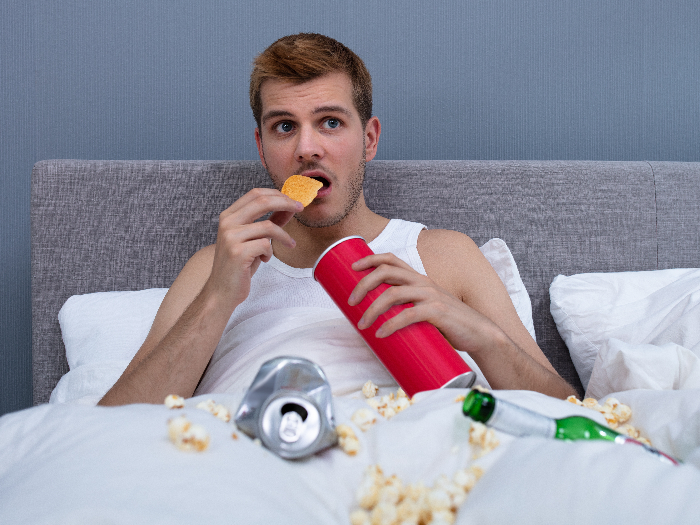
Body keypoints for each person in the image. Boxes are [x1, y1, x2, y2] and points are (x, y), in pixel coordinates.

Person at [99, 33, 575, 406]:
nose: (307, 148)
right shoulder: (214, 266)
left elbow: (576, 414)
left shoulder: (444, 255)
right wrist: (218, 299)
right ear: (263, 148)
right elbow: (105, 431)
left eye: (330, 122)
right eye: (284, 126)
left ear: (369, 139)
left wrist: (482, 336)